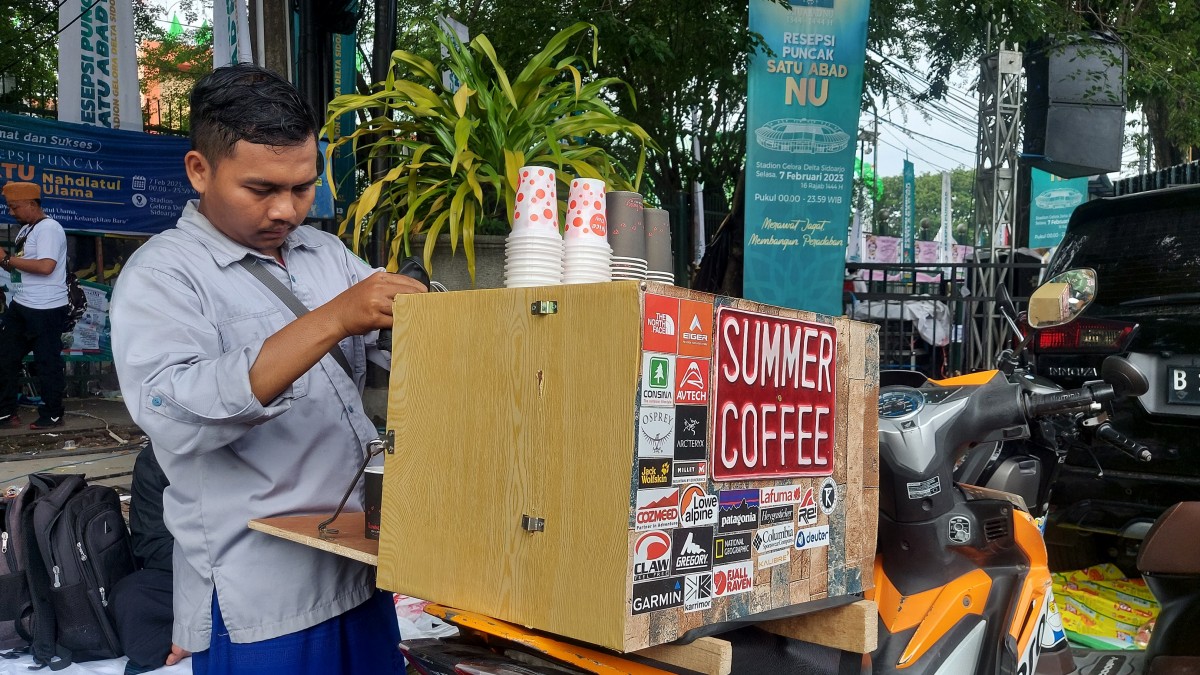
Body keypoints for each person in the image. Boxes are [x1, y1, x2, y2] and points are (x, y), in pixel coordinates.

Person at [110, 64, 425, 674]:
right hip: (259, 594)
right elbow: (174, 411)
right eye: (261, 189)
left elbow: (388, 344)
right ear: (200, 170)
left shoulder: (325, 253)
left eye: (303, 187)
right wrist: (334, 318)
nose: (286, 210)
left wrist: (420, 319)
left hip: (355, 564)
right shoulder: (164, 275)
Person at [0, 182, 69, 429]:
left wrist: (7, 258)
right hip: (21, 303)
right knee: (5, 356)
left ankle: (52, 413)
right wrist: (5, 261)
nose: (11, 212)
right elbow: (21, 265)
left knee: (46, 362)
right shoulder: (26, 230)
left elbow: (45, 266)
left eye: (15, 206)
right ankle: (6, 412)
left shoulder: (49, 228)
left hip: (46, 308)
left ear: (32, 204)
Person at [110, 443, 180, 674]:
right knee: (131, 597)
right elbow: (152, 545)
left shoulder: (264, 446)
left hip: (258, 571)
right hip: (195, 574)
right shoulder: (158, 457)